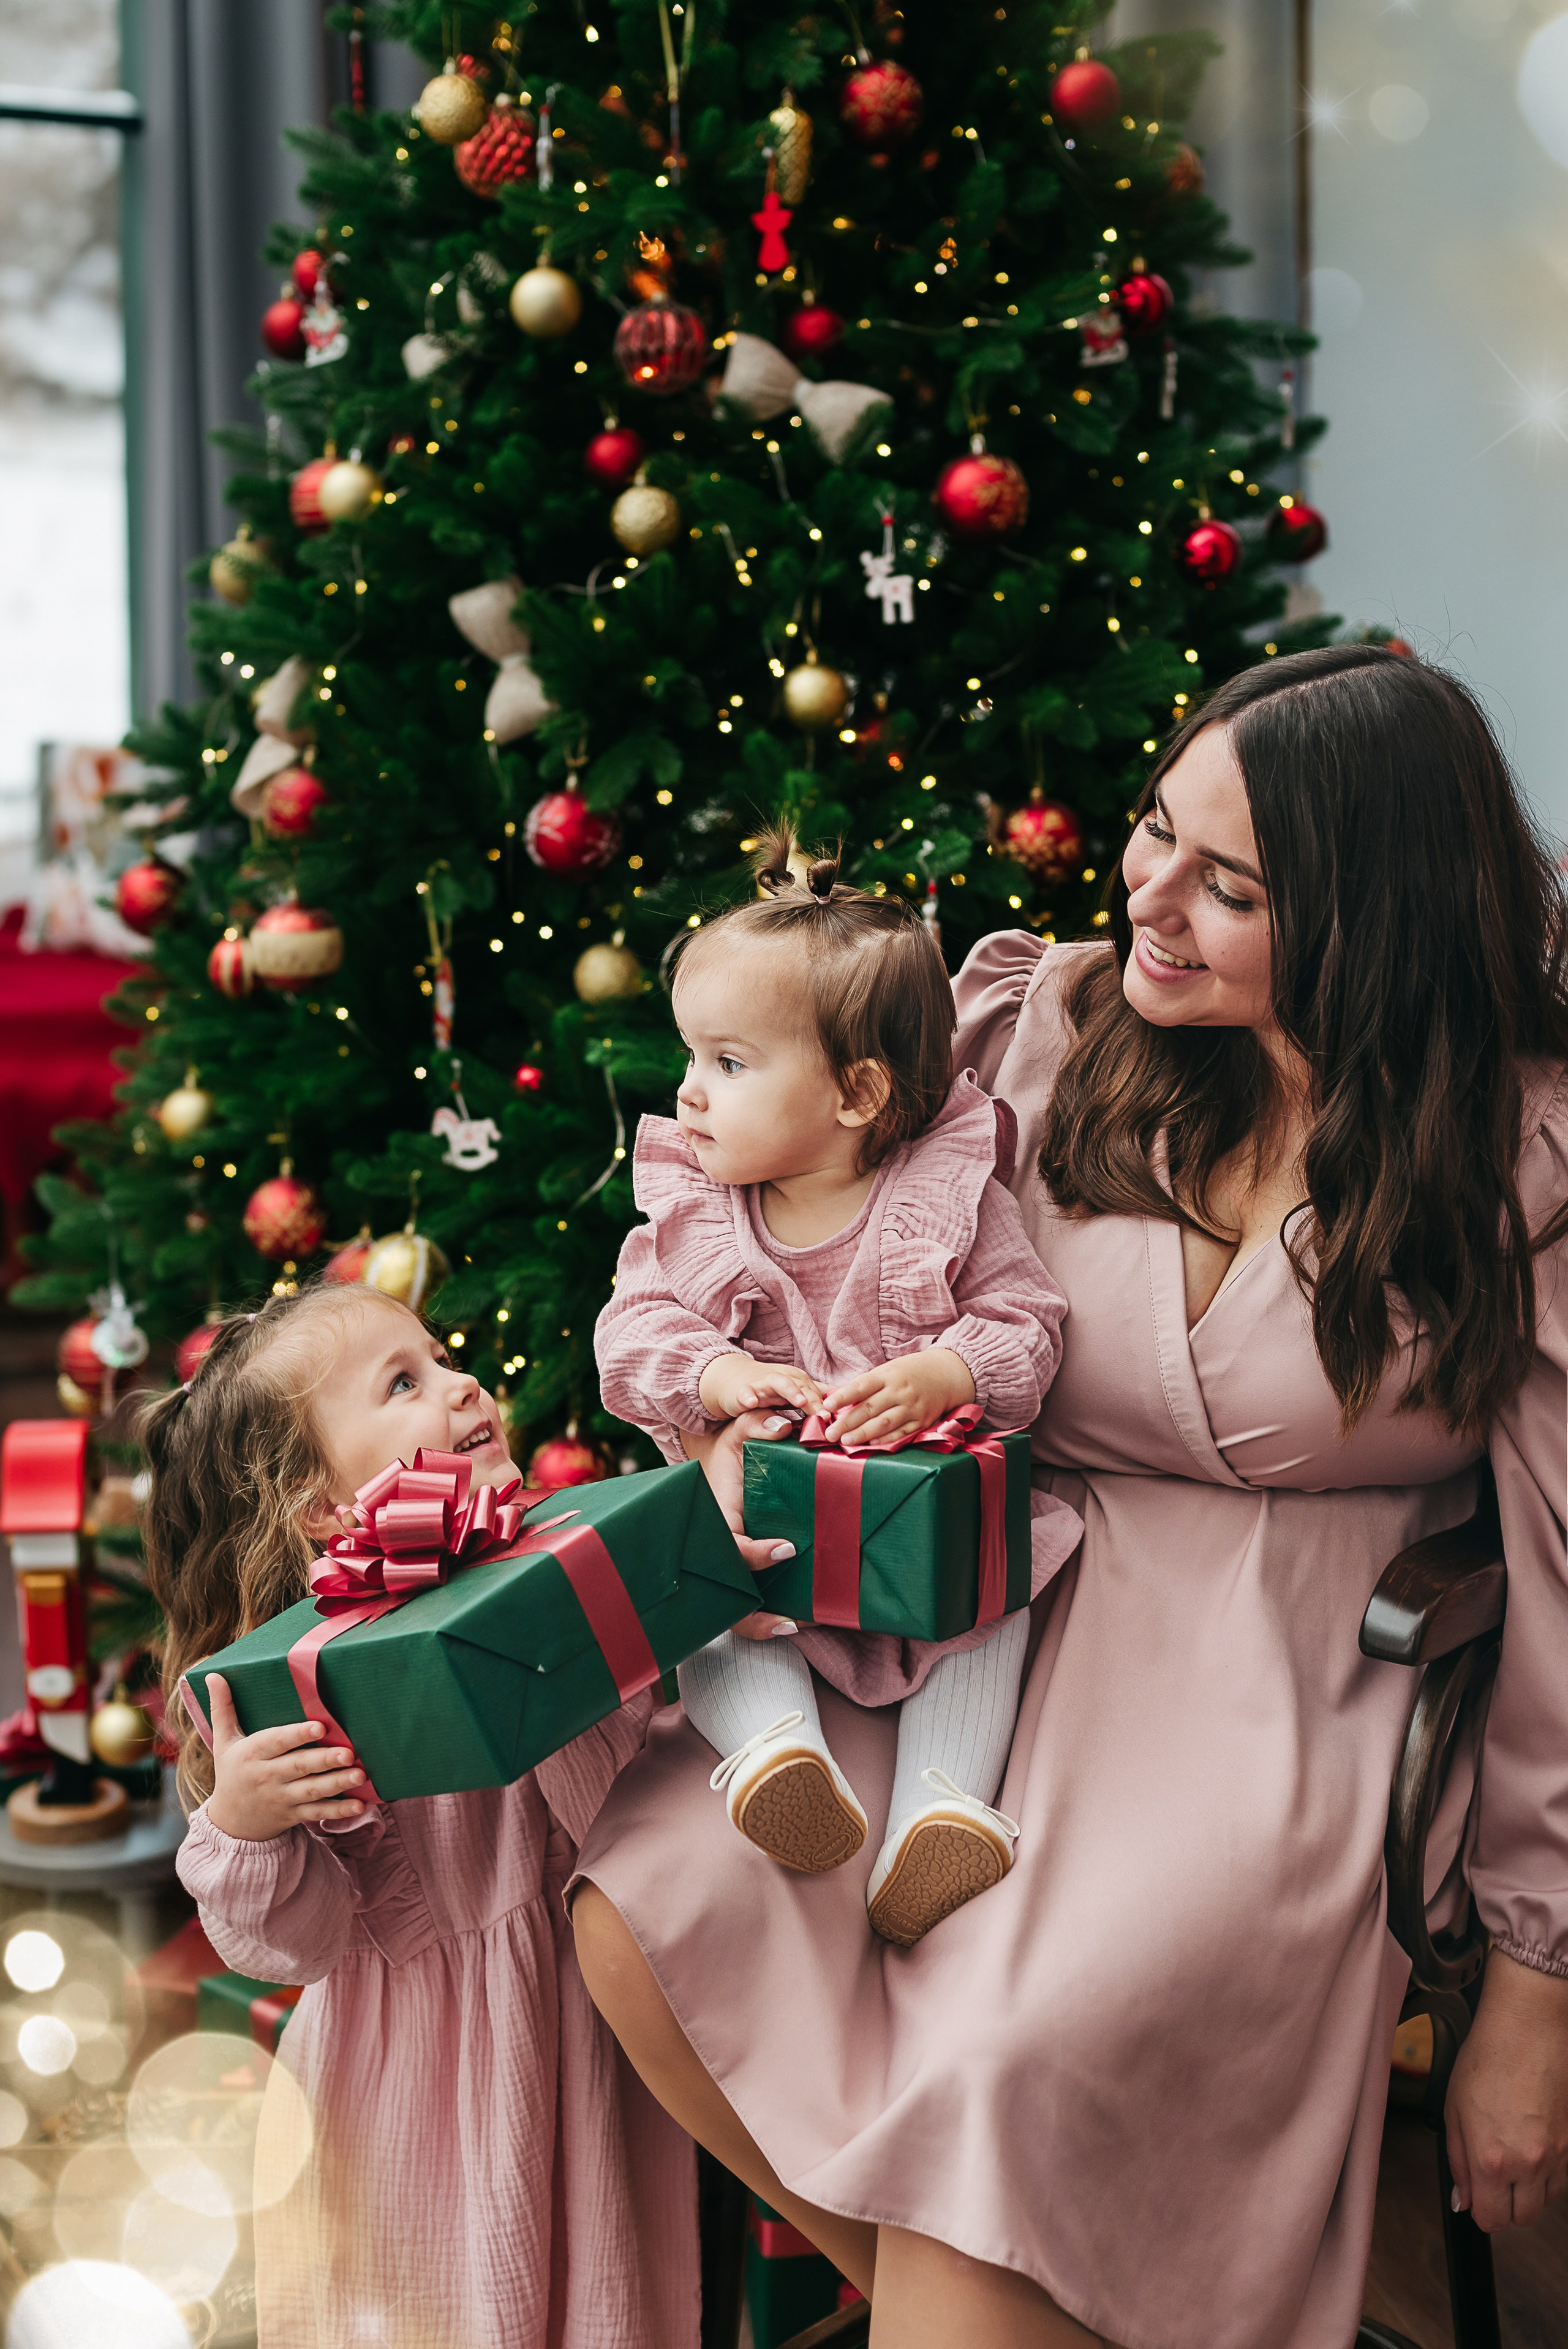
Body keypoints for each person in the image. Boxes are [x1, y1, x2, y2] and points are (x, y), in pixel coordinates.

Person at [570, 646, 1568, 2349]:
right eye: (1155, 832)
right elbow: (786, 1243)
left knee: (1010, 2062)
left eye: (1230, 884)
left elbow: (1558, 1580)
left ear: (1371, 916)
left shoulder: (1513, 1157)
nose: (1149, 896)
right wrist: (739, 1410)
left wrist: (1537, 1985)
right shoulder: (1037, 1030)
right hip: (976, 1606)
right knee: (656, 1896)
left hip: (1278, 1687)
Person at [144, 1284, 696, 2349]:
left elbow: (626, 1825)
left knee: (600, 2299)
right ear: (318, 1501)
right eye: (405, 1384)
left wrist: (592, 1650)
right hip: (401, 2089)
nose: (460, 1383)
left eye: (441, 1359)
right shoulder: (290, 1678)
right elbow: (287, 1947)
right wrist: (250, 1820)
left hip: (580, 2024)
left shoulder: (551, 1560)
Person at [595, 829, 1079, 1945]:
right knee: (700, 1599)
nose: (689, 1092)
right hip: (767, 1537)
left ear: (857, 1093)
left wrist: (945, 1370)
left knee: (996, 1591)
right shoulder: (697, 1215)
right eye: (691, 1057)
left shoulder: (946, 1199)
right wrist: (717, 1375)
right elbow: (629, 1340)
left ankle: (941, 1810)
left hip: (907, 1531)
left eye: (729, 1062)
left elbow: (1029, 1329)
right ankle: (776, 1757)